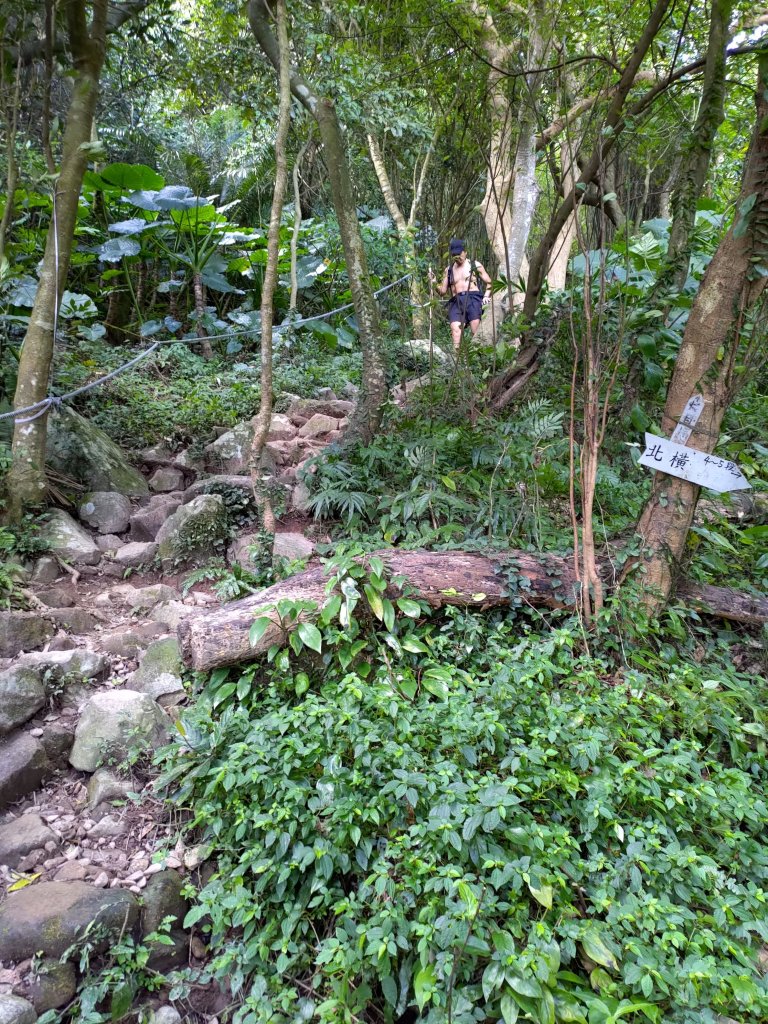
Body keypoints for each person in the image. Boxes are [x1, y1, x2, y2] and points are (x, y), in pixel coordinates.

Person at [433, 239, 492, 351]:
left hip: (473, 299)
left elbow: (489, 283)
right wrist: (434, 283)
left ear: (465, 252)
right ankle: (457, 360)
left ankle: (480, 359)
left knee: (476, 330)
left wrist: (486, 296)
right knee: (455, 330)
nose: (457, 257)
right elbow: (442, 291)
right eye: (454, 254)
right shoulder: (449, 270)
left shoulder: (474, 265)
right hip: (456, 301)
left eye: (459, 254)